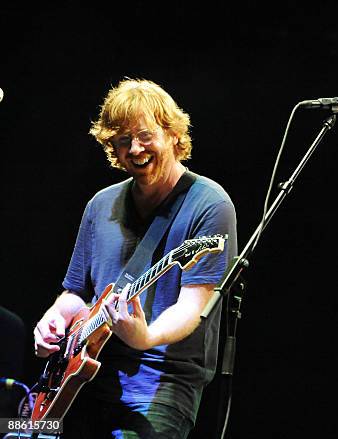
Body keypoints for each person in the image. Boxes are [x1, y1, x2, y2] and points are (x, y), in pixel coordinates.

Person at [33, 79, 237, 438]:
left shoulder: (209, 204)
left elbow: (193, 306)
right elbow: (76, 292)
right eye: (122, 140)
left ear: (173, 134)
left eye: (145, 136)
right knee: (16, 429)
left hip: (160, 379)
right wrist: (54, 317)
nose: (135, 149)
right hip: (84, 376)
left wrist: (145, 336)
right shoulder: (100, 204)